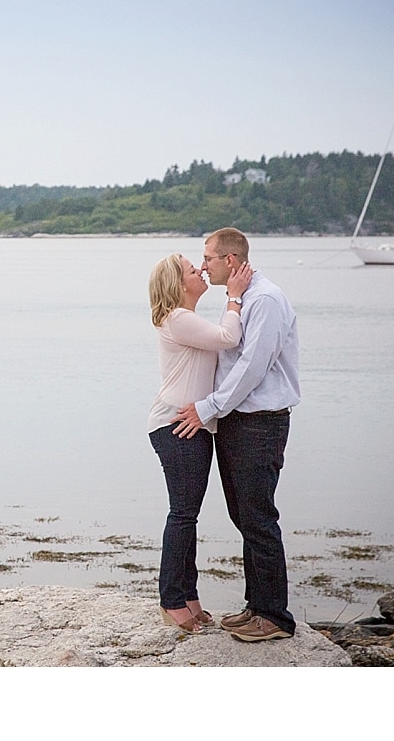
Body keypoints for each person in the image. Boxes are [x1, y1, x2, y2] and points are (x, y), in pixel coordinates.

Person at [172, 227, 300, 642]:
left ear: (230, 260)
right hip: (238, 421)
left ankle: (276, 617)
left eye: (207, 257)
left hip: (260, 423)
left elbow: (252, 368)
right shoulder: (242, 299)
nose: (203, 264)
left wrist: (207, 407)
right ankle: (256, 607)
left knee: (260, 519)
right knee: (243, 517)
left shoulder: (264, 299)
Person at [147, 252, 252, 633]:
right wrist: (235, 296)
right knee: (183, 513)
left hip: (191, 424)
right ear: (178, 285)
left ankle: (188, 597)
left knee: (187, 514)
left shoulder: (185, 320)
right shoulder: (178, 318)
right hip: (176, 424)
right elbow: (229, 337)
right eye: (193, 270)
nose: (201, 270)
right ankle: (173, 601)